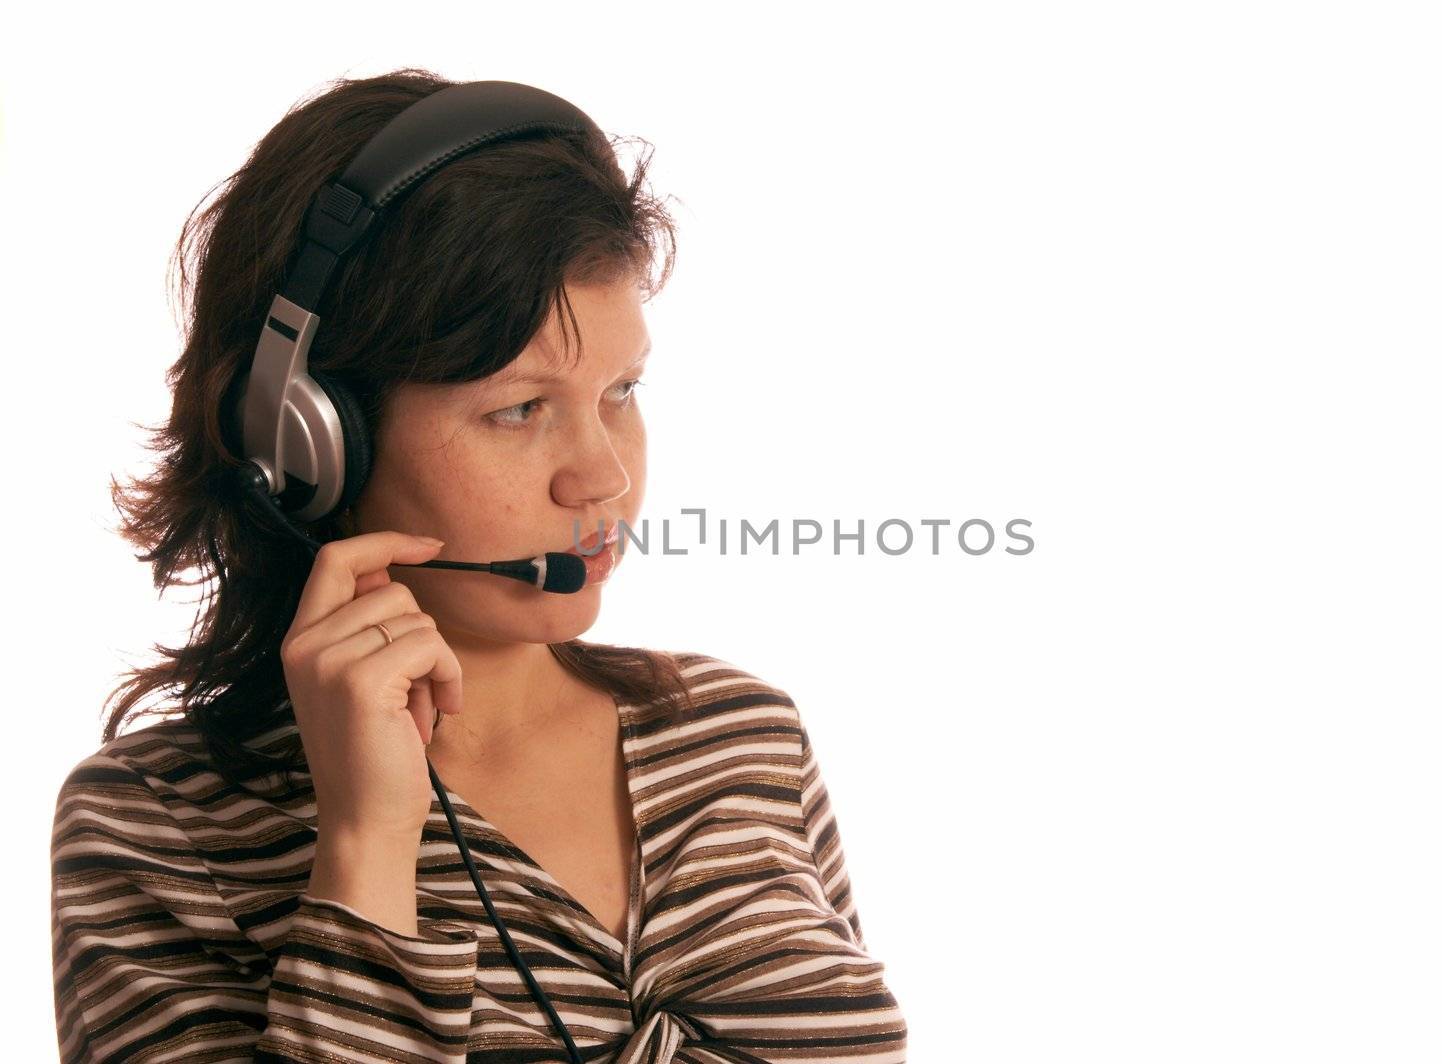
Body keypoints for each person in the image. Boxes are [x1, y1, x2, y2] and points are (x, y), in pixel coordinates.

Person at [49, 68, 908, 1062]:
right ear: (312, 439)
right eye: (518, 408)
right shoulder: (152, 825)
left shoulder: (737, 732)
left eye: (621, 390)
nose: (603, 476)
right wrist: (368, 846)